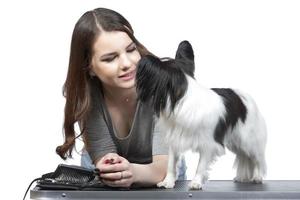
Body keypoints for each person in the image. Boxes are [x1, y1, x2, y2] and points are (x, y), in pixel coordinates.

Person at [56, 7, 186, 188]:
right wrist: (110, 164)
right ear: (89, 67)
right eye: (110, 58)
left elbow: (162, 169)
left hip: (162, 171)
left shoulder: (164, 85)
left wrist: (131, 172)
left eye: (131, 49)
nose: (127, 63)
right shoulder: (86, 97)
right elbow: (105, 158)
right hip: (112, 176)